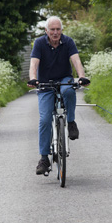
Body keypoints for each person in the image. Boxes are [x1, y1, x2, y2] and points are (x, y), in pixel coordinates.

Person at [27, 16, 90, 175]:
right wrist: (33, 79)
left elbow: (76, 61)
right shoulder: (39, 43)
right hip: (45, 83)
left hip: (64, 79)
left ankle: (71, 122)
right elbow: (34, 64)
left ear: (61, 30)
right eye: (52, 30)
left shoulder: (68, 42)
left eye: (58, 29)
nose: (55, 32)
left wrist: (82, 76)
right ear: (46, 31)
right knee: (45, 119)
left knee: (69, 90)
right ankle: (44, 158)